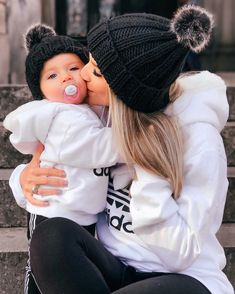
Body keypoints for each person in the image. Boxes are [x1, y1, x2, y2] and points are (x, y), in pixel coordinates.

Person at [9, 5, 234, 294]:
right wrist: (24, 177)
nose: (83, 75)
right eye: (88, 62)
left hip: (180, 279)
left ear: (125, 89)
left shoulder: (199, 141)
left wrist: (149, 170)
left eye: (97, 71)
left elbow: (181, 252)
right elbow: (61, 158)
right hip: (113, 269)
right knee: (52, 237)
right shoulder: (101, 119)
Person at [4, 24, 120, 294]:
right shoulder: (62, 118)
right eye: (52, 76)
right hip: (52, 212)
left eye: (73, 68)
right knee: (41, 273)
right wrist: (135, 142)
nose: (66, 79)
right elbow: (96, 148)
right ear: (41, 91)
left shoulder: (92, 111)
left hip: (82, 215)